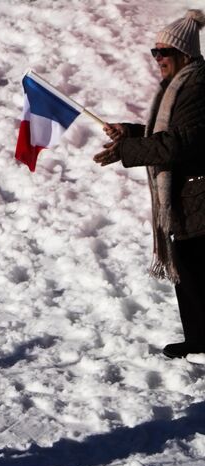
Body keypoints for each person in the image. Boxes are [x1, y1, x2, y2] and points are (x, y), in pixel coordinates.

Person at [96, 11, 205, 358]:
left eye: (164, 52)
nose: (158, 59)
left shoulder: (199, 87)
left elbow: (178, 143)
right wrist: (129, 132)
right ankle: (198, 340)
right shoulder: (180, 86)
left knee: (197, 272)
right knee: (188, 271)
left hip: (200, 193)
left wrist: (127, 149)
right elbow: (166, 136)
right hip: (187, 196)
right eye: (154, 52)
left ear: (184, 54)